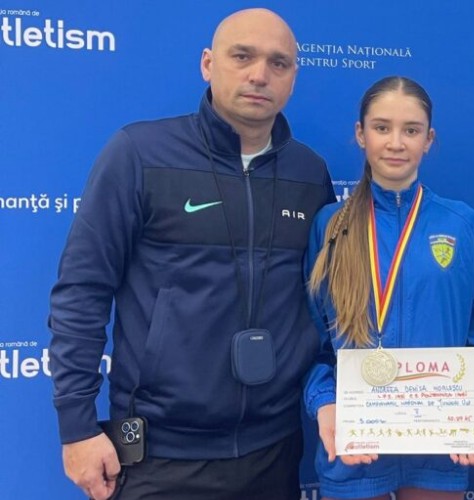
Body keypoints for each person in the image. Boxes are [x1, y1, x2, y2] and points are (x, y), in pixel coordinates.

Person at [48, 8, 334, 500]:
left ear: (293, 76)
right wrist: (76, 427)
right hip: (159, 455)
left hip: (274, 448)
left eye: (278, 63)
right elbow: (82, 290)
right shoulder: (140, 154)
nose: (259, 74)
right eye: (242, 56)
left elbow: (324, 301)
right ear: (207, 63)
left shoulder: (309, 173)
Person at [303, 76, 474, 500]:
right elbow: (311, 338)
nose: (396, 143)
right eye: (382, 127)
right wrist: (324, 402)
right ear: (361, 134)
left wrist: (472, 405)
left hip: (440, 444)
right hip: (355, 440)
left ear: (428, 140)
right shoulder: (330, 226)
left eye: (411, 130)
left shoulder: (461, 223)